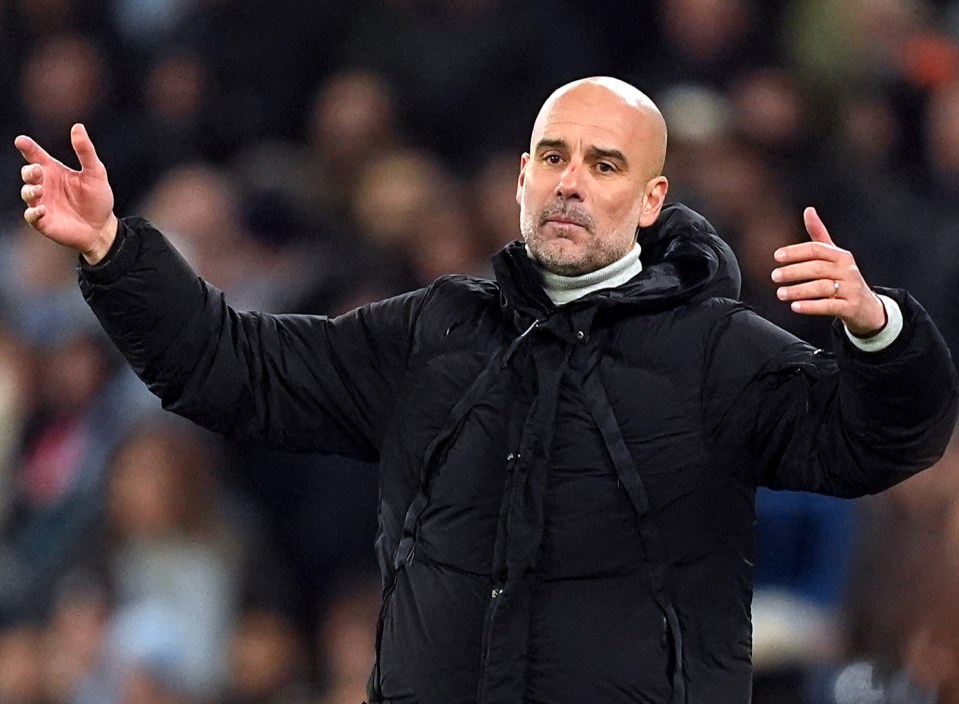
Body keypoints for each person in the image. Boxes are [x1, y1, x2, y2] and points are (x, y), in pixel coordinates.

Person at [13, 76, 958, 704]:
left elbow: (872, 443)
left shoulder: (718, 350)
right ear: (518, 179)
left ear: (653, 198)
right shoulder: (433, 331)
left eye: (603, 164)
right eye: (553, 157)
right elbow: (237, 368)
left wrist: (881, 332)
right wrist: (113, 248)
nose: (571, 184)